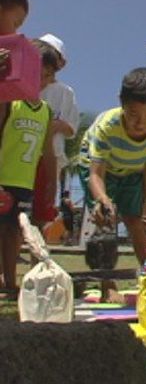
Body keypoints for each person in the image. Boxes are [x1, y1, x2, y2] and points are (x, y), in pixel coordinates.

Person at [78, 67, 146, 302]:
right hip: (99, 169)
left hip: (132, 171)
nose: (141, 123)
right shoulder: (108, 126)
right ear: (122, 104)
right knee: (105, 221)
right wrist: (103, 199)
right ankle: (106, 283)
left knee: (135, 220)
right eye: (134, 114)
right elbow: (96, 174)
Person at [0, 39, 57, 300]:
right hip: (3, 176)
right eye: (38, 73)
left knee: (15, 233)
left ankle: (11, 283)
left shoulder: (45, 110)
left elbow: (47, 152)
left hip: (24, 183)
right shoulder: (9, 101)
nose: (42, 80)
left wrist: (50, 185)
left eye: (48, 76)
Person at [31, 33, 80, 229]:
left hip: (50, 155)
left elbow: (72, 128)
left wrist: (55, 125)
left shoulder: (65, 92)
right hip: (22, 155)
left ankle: (37, 254)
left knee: (42, 208)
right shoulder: (23, 86)